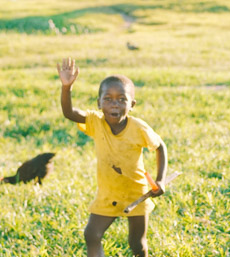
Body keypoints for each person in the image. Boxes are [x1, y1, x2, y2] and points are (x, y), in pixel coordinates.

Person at [57, 58, 168, 257]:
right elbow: (69, 113)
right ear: (98, 103)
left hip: (136, 193)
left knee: (136, 243)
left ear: (132, 104)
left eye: (121, 99)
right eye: (107, 99)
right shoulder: (95, 122)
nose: (114, 104)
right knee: (92, 234)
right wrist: (67, 88)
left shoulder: (139, 128)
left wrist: (159, 180)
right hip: (108, 194)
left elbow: (160, 147)